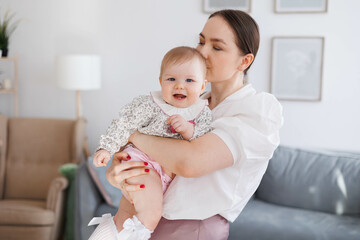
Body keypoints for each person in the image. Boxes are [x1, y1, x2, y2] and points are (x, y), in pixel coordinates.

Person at [106, 9, 283, 240]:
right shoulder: (192, 104)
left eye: (216, 47)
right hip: (148, 218)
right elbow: (138, 157)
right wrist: (115, 174)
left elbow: (189, 162)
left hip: (194, 229)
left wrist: (134, 136)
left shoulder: (259, 108)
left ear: (245, 61)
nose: (202, 52)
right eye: (201, 41)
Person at [88, 46, 212, 240]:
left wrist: (188, 130)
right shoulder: (149, 104)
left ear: (203, 85)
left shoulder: (203, 114)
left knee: (126, 215)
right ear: (160, 81)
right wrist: (106, 148)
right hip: (142, 162)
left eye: (189, 80)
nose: (179, 86)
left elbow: (203, 145)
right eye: (171, 79)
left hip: (167, 174)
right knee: (150, 214)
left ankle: (103, 235)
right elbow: (123, 124)